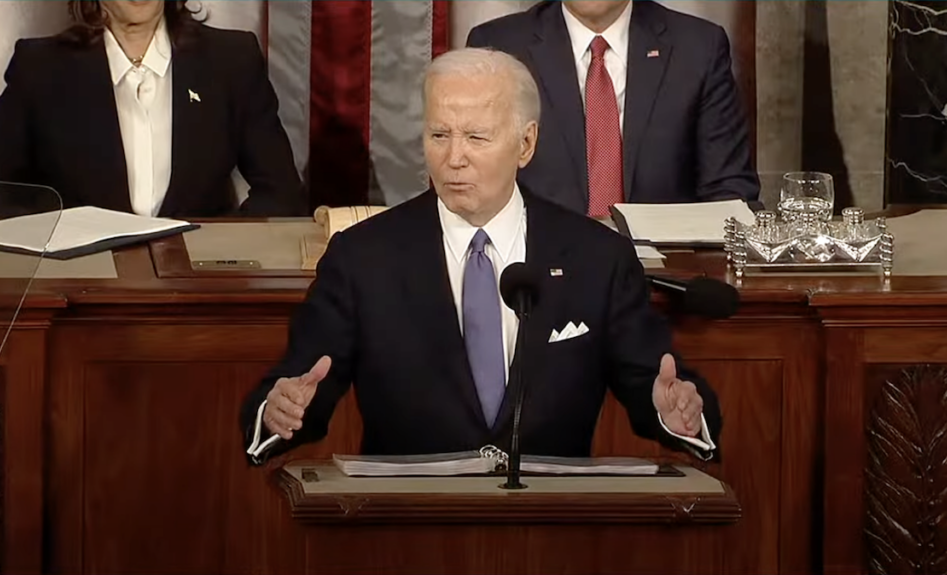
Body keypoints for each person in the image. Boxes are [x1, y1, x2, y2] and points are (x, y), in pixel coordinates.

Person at [240, 48, 721, 464]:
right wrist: (279, 410)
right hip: (405, 529)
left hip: (553, 530)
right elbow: (300, 383)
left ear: (525, 144)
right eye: (439, 135)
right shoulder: (363, 256)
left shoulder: (597, 256)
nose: (454, 158)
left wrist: (674, 410)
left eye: (476, 137)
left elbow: (654, 382)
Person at [0, 0, 305, 218]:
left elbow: (281, 193)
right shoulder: (41, 68)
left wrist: (222, 251)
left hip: (202, 294)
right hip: (80, 293)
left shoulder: (232, 60)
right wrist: (47, 250)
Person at [466, 0, 760, 217]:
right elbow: (475, 183)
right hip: (539, 276)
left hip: (667, 279)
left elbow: (729, 191)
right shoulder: (499, 47)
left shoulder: (698, 47)